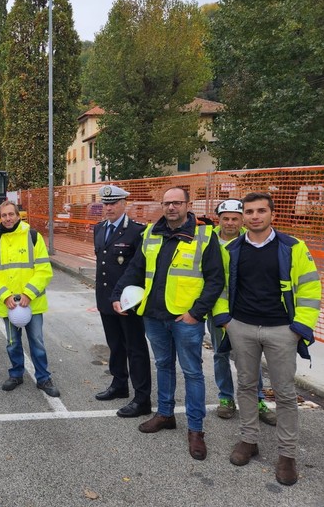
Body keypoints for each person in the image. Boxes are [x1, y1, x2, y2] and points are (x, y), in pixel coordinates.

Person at [213, 192, 320, 485]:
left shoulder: (293, 247)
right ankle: (249, 440)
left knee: (284, 393)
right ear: (243, 216)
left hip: (281, 331)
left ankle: (287, 455)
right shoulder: (232, 249)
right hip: (242, 328)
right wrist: (225, 321)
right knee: (246, 385)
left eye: (261, 211)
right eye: (249, 212)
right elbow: (221, 287)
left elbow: (310, 288)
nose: (254, 216)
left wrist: (300, 326)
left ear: (272, 214)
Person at [111, 187, 224, 461]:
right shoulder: (151, 233)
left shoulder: (204, 235)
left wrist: (196, 313)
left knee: (192, 373)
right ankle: (165, 414)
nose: (171, 207)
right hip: (154, 315)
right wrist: (118, 294)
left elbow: (215, 279)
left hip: (185, 318)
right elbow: (136, 269)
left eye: (177, 203)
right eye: (167, 203)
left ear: (188, 205)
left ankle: (196, 430)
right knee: (163, 365)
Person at [0, 200, 60, 398]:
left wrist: (28, 294)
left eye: (11, 214)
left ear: (18, 215)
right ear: (0, 218)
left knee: (37, 342)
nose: (7, 219)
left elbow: (43, 269)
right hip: (7, 304)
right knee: (12, 343)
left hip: (31, 303)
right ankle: (16, 374)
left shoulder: (33, 237)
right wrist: (5, 295)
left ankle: (43, 378)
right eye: (3, 215)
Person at [208, 199, 276, 425]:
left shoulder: (251, 241)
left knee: (251, 358)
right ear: (218, 219)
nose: (230, 223)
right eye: (225, 218)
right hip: (218, 309)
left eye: (235, 218)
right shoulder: (208, 240)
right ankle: (226, 398)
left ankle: (257, 399)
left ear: (242, 220)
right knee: (220, 354)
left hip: (246, 309)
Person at [93, 185, 152, 418]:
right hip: (107, 299)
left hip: (128, 301)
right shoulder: (99, 228)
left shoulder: (137, 231)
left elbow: (139, 269)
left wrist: (128, 298)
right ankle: (119, 384)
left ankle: (142, 398)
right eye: (105, 204)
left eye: (113, 203)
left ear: (124, 204)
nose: (108, 208)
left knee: (135, 348)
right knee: (115, 345)